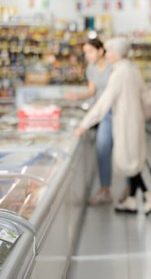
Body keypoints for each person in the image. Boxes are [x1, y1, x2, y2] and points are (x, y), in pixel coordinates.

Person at [74, 37, 151, 215]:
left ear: (117, 53)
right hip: (133, 120)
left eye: (110, 51)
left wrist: (84, 125)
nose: (107, 54)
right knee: (132, 160)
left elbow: (104, 102)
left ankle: (149, 197)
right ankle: (132, 200)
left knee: (130, 161)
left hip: (126, 122)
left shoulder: (119, 73)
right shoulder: (130, 68)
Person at [66, 38, 113, 205]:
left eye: (90, 51)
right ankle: (105, 189)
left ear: (101, 51)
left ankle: (131, 189)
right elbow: (92, 91)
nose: (87, 56)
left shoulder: (113, 67)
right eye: (85, 52)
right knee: (102, 148)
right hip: (101, 113)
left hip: (115, 111)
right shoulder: (91, 68)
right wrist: (77, 96)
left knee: (119, 151)